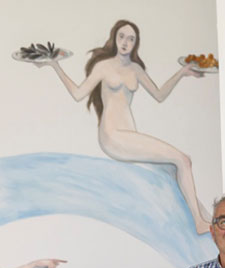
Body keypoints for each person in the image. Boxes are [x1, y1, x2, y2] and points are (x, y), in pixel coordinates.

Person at [31, 20, 210, 233]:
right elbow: (78, 94)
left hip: (129, 136)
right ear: (114, 38)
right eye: (122, 37)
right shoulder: (103, 66)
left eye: (131, 39)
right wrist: (56, 66)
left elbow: (159, 95)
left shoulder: (136, 69)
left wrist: (182, 72)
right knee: (183, 159)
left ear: (136, 44)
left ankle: (205, 219)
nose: (125, 42)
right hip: (112, 136)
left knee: (174, 169)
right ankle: (199, 222)